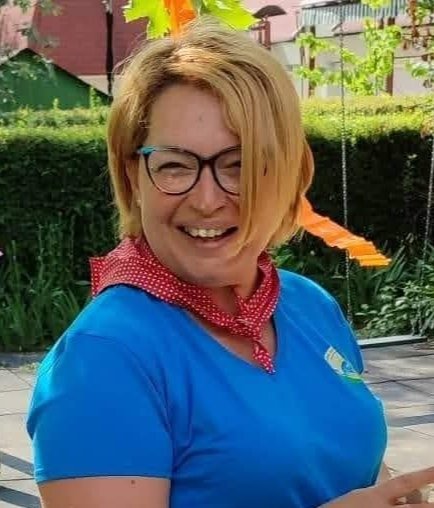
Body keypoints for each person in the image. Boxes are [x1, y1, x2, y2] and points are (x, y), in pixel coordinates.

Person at [26, 17, 434, 508]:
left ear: (288, 171)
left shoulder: (306, 304)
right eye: (175, 165)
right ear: (133, 175)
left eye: (240, 165)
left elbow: (339, 464)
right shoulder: (102, 358)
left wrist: (392, 495)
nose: (206, 200)